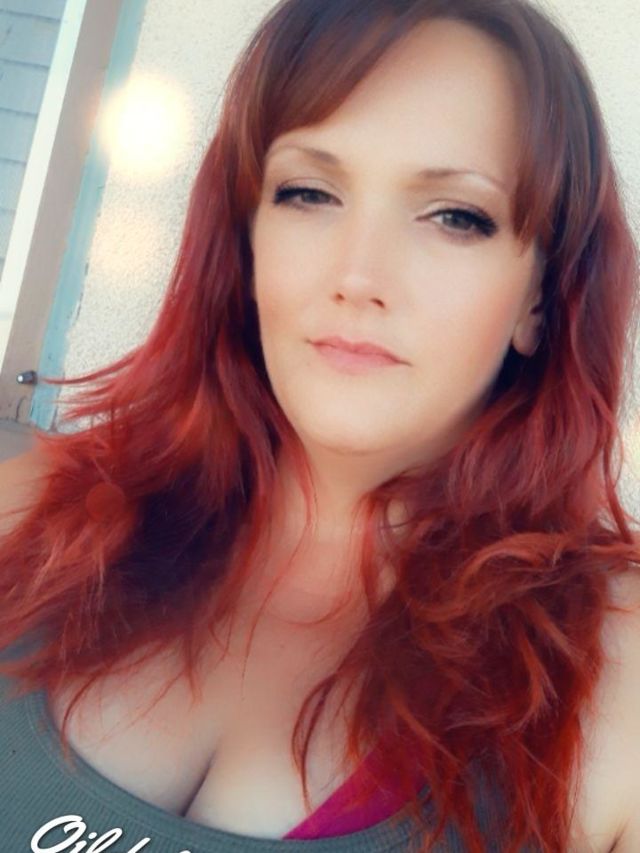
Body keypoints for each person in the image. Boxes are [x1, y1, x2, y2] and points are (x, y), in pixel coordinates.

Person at [1, 0, 639, 850]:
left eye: (456, 215)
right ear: (246, 240)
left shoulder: (615, 668)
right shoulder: (28, 511)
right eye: (309, 192)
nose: (358, 275)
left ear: (538, 298)